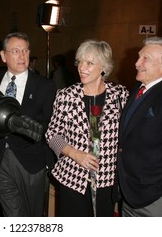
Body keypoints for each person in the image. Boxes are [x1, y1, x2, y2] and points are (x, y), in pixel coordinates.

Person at [45, 39, 128, 216]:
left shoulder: (120, 95)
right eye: (80, 62)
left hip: (106, 178)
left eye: (89, 63)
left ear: (104, 67)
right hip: (73, 177)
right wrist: (76, 154)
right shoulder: (66, 96)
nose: (82, 67)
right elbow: (52, 134)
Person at [0, 32, 57, 216]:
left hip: (30, 162)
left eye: (25, 51)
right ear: (3, 56)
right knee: (12, 215)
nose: (22, 56)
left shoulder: (45, 86)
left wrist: (49, 162)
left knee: (33, 215)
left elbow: (51, 125)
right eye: (16, 51)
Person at [117, 36, 162, 217]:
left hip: (154, 200)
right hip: (129, 192)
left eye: (145, 58)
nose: (137, 63)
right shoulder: (138, 89)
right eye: (139, 57)